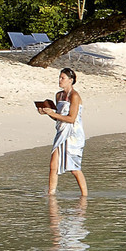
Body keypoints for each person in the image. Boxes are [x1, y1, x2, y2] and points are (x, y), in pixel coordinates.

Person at [35, 66, 87, 200]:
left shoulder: (75, 96)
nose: (60, 80)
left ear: (70, 80)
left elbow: (71, 118)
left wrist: (53, 114)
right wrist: (47, 112)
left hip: (73, 133)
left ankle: (84, 196)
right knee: (53, 165)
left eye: (62, 78)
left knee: (74, 168)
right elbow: (58, 117)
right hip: (61, 131)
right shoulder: (59, 95)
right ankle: (51, 193)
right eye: (59, 77)